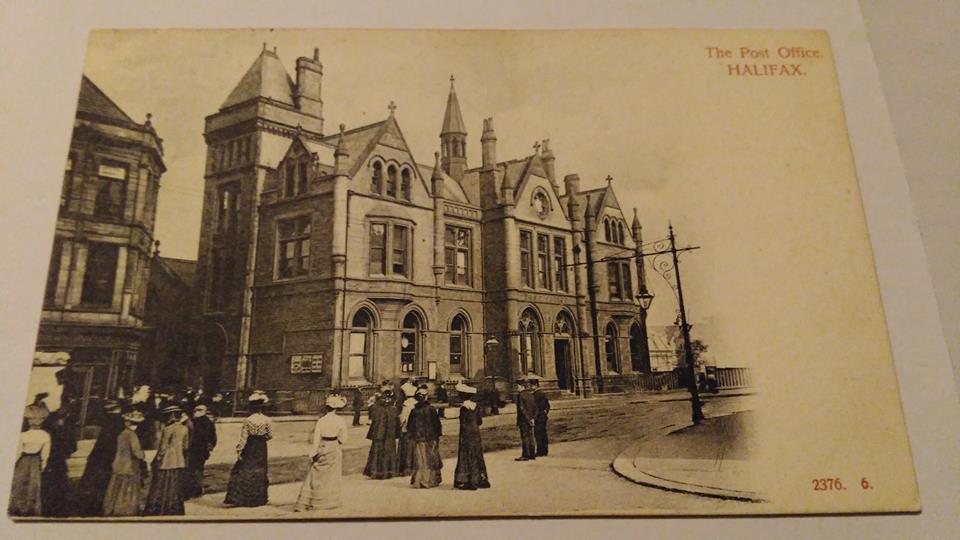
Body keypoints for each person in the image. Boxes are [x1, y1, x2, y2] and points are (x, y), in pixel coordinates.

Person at [294, 394, 349, 512]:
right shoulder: (340, 420)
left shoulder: (321, 421)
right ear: (336, 408)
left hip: (322, 446)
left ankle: (311, 500)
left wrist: (313, 453)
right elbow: (344, 439)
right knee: (331, 476)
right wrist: (337, 441)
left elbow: (316, 439)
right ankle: (327, 501)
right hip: (334, 447)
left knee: (315, 473)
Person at [75, 400, 125, 516]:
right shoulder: (118, 423)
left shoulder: (108, 424)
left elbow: (101, 444)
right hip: (108, 457)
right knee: (102, 483)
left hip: (98, 457)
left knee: (93, 482)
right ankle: (96, 507)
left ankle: (87, 507)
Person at [224, 391, 272, 507]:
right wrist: (262, 437)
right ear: (262, 408)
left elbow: (244, 437)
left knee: (246, 469)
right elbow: (270, 435)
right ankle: (259, 498)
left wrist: (239, 450)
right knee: (260, 470)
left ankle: (245, 498)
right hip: (261, 446)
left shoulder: (247, 420)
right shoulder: (267, 420)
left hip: (250, 445)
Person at [144, 405, 190, 516]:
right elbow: (185, 446)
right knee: (175, 485)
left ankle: (160, 508)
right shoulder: (184, 429)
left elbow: (163, 447)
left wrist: (157, 459)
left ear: (171, 416)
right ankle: (174, 508)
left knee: (162, 485)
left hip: (167, 461)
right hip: (179, 461)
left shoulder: (168, 429)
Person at [102, 411, 147, 517]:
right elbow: (137, 453)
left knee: (116, 488)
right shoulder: (132, 435)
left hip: (118, 464)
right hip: (130, 466)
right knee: (128, 489)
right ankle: (126, 510)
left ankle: (112, 508)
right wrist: (143, 454)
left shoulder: (122, 434)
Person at [8, 409, 50, 516]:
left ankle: (17, 507)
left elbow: (18, 451)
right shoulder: (45, 435)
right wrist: (43, 465)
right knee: (33, 485)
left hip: (23, 460)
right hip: (36, 461)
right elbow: (45, 454)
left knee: (19, 483)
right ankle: (30, 508)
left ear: (29, 421)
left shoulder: (23, 435)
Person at [453, 382, 490, 490]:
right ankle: (480, 479)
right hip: (476, 433)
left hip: (466, 434)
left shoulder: (463, 408)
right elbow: (479, 421)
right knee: (477, 454)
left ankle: (467, 481)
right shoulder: (476, 407)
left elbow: (463, 423)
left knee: (466, 456)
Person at [41, 409, 77, 517]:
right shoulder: (65, 431)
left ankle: (48, 507)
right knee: (60, 485)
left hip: (50, 462)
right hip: (59, 462)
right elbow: (73, 447)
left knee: (48, 484)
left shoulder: (47, 431)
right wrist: (66, 453)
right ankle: (58, 508)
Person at [407, 386, 443, 488]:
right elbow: (437, 424)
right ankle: (430, 481)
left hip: (419, 439)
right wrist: (438, 435)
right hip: (431, 438)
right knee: (431, 458)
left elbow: (410, 426)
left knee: (420, 459)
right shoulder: (431, 409)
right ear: (426, 397)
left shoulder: (414, 411)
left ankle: (419, 481)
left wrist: (412, 436)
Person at [363, 389, 399, 479]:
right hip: (389, 435)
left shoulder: (376, 408)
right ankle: (388, 472)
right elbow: (397, 423)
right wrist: (397, 434)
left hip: (378, 435)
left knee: (377, 453)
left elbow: (373, 422)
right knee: (388, 453)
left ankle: (375, 472)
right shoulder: (393, 409)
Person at [183, 404, 218, 499]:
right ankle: (197, 490)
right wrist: (209, 448)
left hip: (193, 449)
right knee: (199, 469)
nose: (195, 412)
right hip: (203, 451)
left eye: (196, 411)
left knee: (191, 469)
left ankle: (191, 490)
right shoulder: (209, 423)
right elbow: (213, 438)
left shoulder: (193, 422)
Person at [515, 379, 538, 461]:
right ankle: (532, 454)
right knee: (531, 437)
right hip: (531, 420)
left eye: (518, 386)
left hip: (524, 420)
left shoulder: (520, 395)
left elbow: (522, 409)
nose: (517, 388)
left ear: (522, 386)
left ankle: (526, 455)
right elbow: (535, 408)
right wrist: (533, 419)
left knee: (524, 437)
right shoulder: (531, 394)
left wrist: (528, 419)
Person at [397, 385, 418, 476]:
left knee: (406, 450)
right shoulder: (417, 403)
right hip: (416, 430)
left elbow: (402, 419)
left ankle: (406, 468)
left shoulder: (406, 405)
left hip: (406, 430)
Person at [530, 376, 551, 457]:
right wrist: (546, 412)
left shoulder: (536, 394)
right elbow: (547, 405)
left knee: (538, 435)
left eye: (532, 386)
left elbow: (536, 407)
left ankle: (540, 452)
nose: (531, 387)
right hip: (543, 417)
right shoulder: (542, 393)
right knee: (544, 434)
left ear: (535, 386)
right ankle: (545, 451)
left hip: (538, 417)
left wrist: (534, 417)